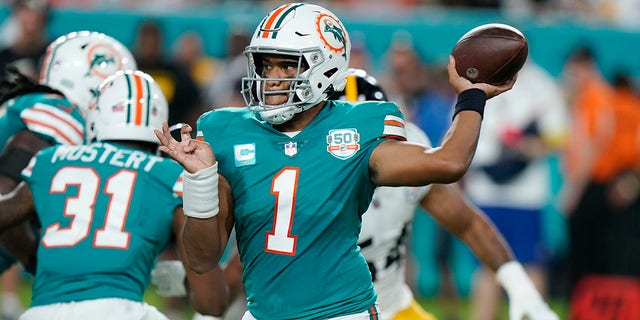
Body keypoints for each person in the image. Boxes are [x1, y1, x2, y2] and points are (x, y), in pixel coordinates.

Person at [154, 3, 534, 319]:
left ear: (327, 68)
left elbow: (449, 163)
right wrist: (201, 181)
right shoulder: (226, 130)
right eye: (266, 65)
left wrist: (471, 97)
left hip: (343, 311)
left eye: (288, 65)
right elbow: (202, 260)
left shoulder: (358, 127)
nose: (272, 78)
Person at [0, 70, 228, 320]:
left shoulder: (51, 161)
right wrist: (185, 279)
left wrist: (36, 259)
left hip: (42, 313)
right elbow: (212, 302)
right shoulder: (167, 175)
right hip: (121, 311)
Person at [462, 59, 570, 320]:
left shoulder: (541, 84)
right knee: (487, 268)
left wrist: (530, 146)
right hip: (486, 189)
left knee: (530, 266)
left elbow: (559, 134)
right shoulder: (482, 76)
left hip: (525, 194)